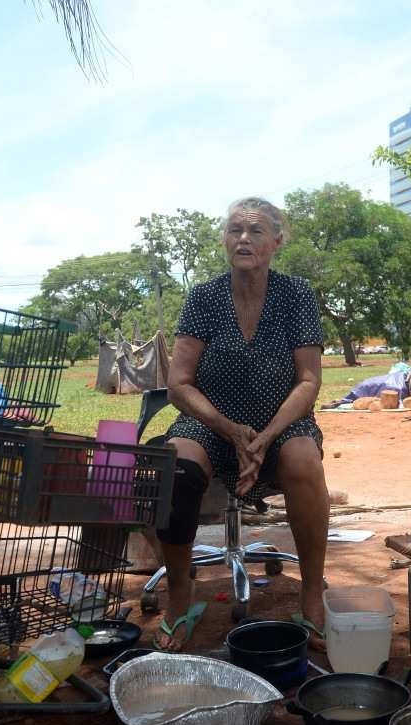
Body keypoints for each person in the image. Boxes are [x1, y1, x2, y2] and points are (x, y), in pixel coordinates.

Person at [154, 196, 330, 652]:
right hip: (211, 424)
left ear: (276, 240)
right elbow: (179, 384)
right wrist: (231, 430)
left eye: (254, 231)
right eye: (235, 230)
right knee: (176, 467)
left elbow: (309, 381)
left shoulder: (296, 296)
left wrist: (265, 436)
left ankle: (312, 594)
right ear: (224, 240)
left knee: (303, 460)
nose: (243, 239)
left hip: (283, 424)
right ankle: (178, 597)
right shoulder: (204, 297)